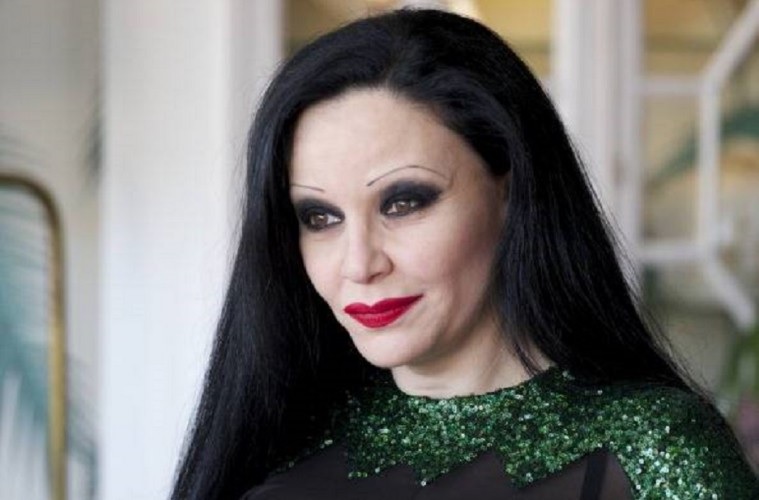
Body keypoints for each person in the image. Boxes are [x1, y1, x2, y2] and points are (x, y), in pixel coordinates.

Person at [171, 9, 759, 500]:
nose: (359, 263)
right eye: (320, 218)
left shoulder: (655, 448)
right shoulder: (282, 449)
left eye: (404, 202)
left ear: (509, 192)